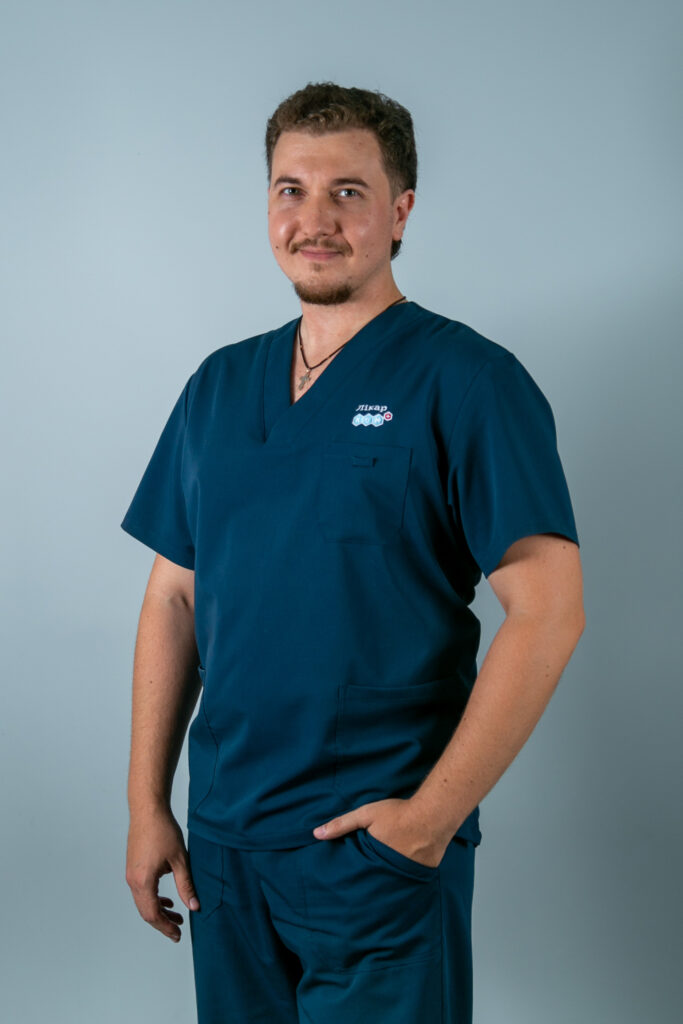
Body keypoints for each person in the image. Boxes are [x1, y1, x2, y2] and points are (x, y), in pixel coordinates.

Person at [121, 81, 585, 1024]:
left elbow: (549, 611)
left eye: (347, 192)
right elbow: (173, 598)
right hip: (226, 847)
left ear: (400, 211)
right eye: (291, 190)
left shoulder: (468, 381)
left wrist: (426, 823)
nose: (315, 219)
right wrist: (147, 806)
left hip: (372, 846)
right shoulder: (218, 386)